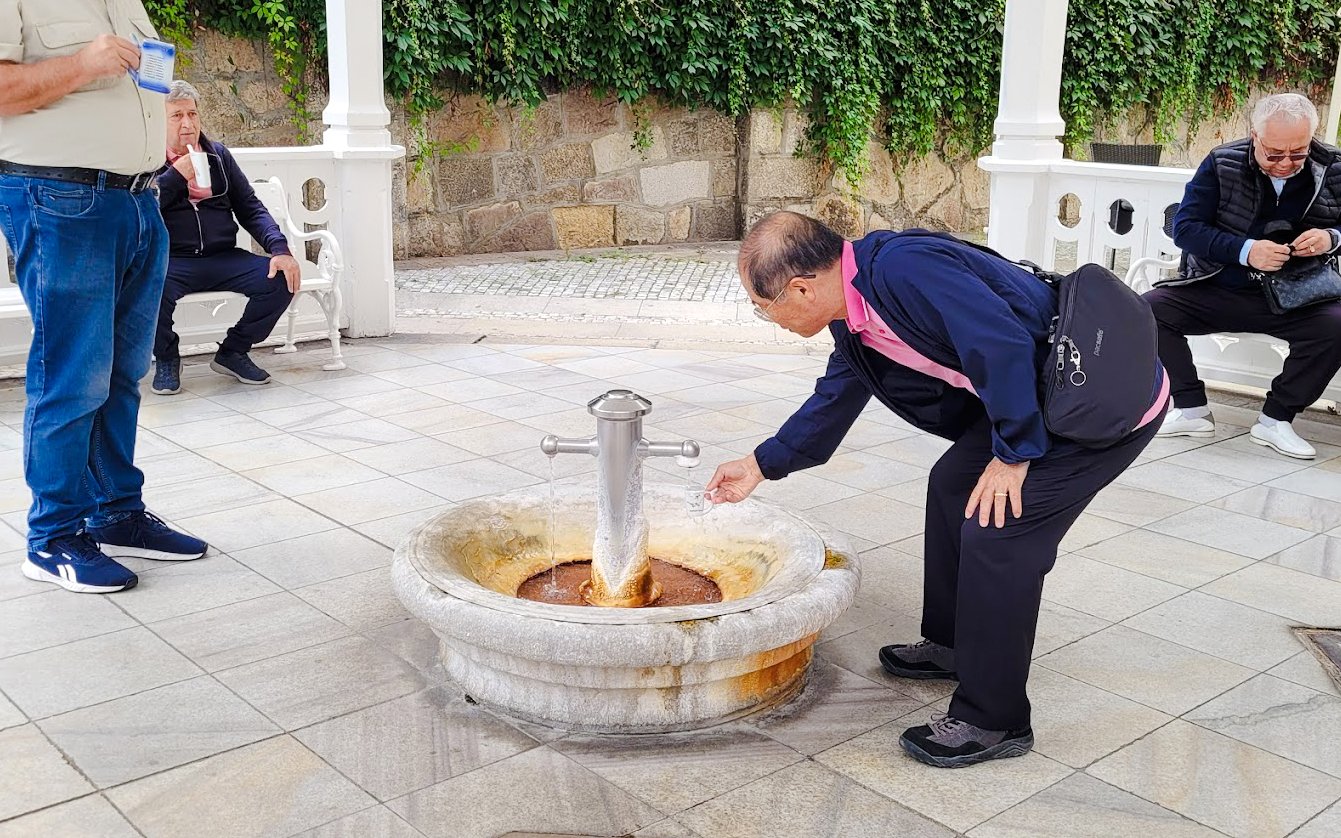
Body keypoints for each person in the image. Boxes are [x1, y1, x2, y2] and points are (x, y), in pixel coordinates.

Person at [706, 212, 1166, 768]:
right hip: (1034, 395)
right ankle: (950, 644)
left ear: (800, 287)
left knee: (999, 533)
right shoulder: (852, 312)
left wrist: (1013, 453)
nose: (768, 318)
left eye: (764, 306)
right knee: (953, 487)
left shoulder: (904, 271)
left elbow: (998, 344)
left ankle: (992, 719)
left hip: (1092, 404)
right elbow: (838, 395)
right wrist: (761, 463)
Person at [0, 3, 207, 594]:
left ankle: (115, 512)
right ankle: (53, 537)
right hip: (59, 197)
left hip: (140, 199)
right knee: (72, 377)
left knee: (121, 374)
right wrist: (83, 63)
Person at [1148, 93, 1341, 459]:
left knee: (1336, 325)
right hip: (1218, 286)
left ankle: (1276, 419)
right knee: (1148, 310)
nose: (1286, 162)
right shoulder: (1222, 162)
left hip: (1299, 294)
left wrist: (1331, 238)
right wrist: (1246, 250)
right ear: (1255, 135)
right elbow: (1185, 228)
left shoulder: (1334, 166)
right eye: (1274, 153)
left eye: (1298, 152)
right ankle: (1190, 408)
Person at [149, 80, 300, 395]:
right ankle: (166, 356)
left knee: (280, 278)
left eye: (192, 114)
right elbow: (143, 210)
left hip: (223, 257)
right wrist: (177, 176)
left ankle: (233, 351)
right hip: (172, 260)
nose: (187, 123)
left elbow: (250, 207)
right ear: (158, 120)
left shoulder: (217, 155)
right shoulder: (147, 160)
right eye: (176, 116)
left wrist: (279, 248)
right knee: (145, 287)